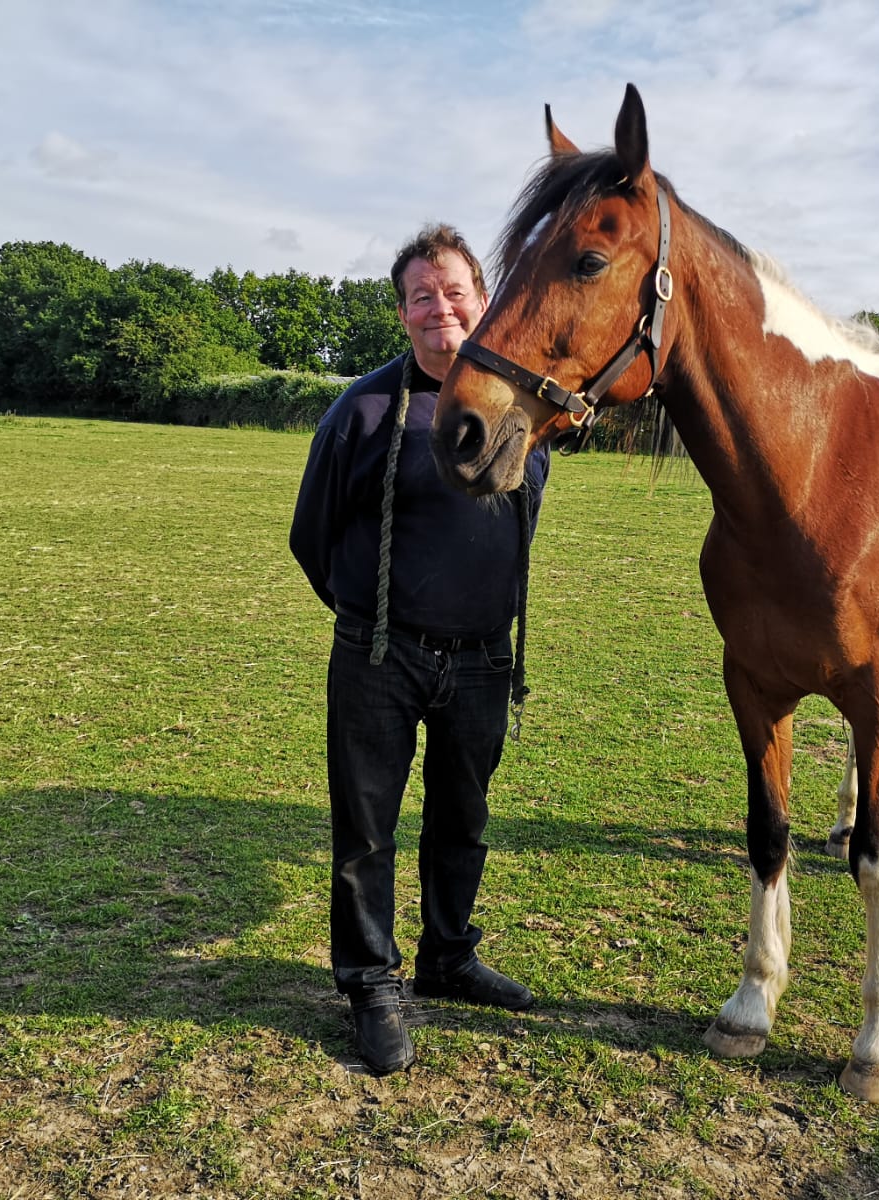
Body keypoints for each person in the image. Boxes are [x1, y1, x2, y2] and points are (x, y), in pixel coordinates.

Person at [289, 224, 549, 1075]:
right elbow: (311, 538)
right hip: (380, 657)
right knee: (365, 831)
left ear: (484, 297)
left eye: (454, 291)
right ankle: (370, 983)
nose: (441, 307)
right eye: (421, 295)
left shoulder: (517, 408)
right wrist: (373, 618)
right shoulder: (361, 410)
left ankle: (448, 956)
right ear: (403, 313)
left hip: (483, 660)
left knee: (462, 821)